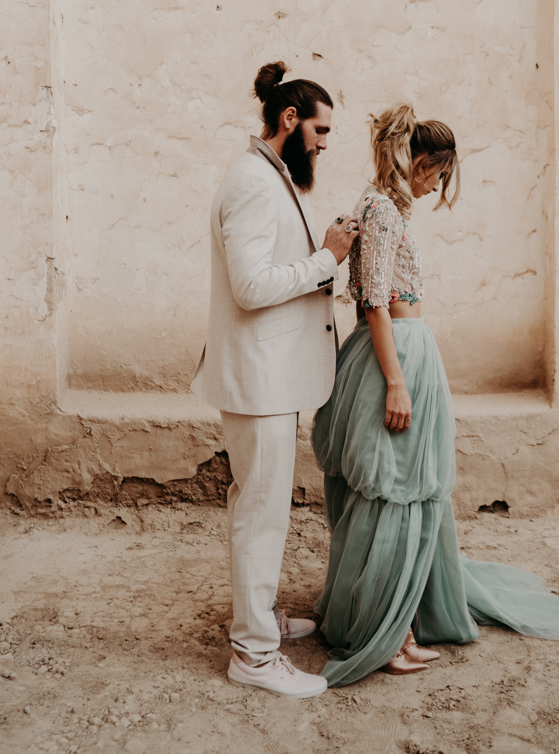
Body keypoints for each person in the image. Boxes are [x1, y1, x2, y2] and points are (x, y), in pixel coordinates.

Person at [311, 103, 559, 687]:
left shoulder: (383, 204)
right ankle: (388, 633)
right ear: (423, 162)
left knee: (400, 491)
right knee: (392, 493)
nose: (435, 189)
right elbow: (373, 301)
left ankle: (396, 615)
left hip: (403, 351)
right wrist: (397, 381)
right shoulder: (380, 206)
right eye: (438, 176)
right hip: (393, 357)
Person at [190, 61, 359, 698]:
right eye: (319, 130)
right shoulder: (254, 183)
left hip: (268, 378)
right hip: (258, 382)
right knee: (261, 514)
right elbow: (251, 286)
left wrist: (320, 251)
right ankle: (253, 655)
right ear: (289, 119)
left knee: (255, 507)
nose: (323, 142)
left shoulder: (268, 173)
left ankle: (257, 622)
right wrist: (327, 260)